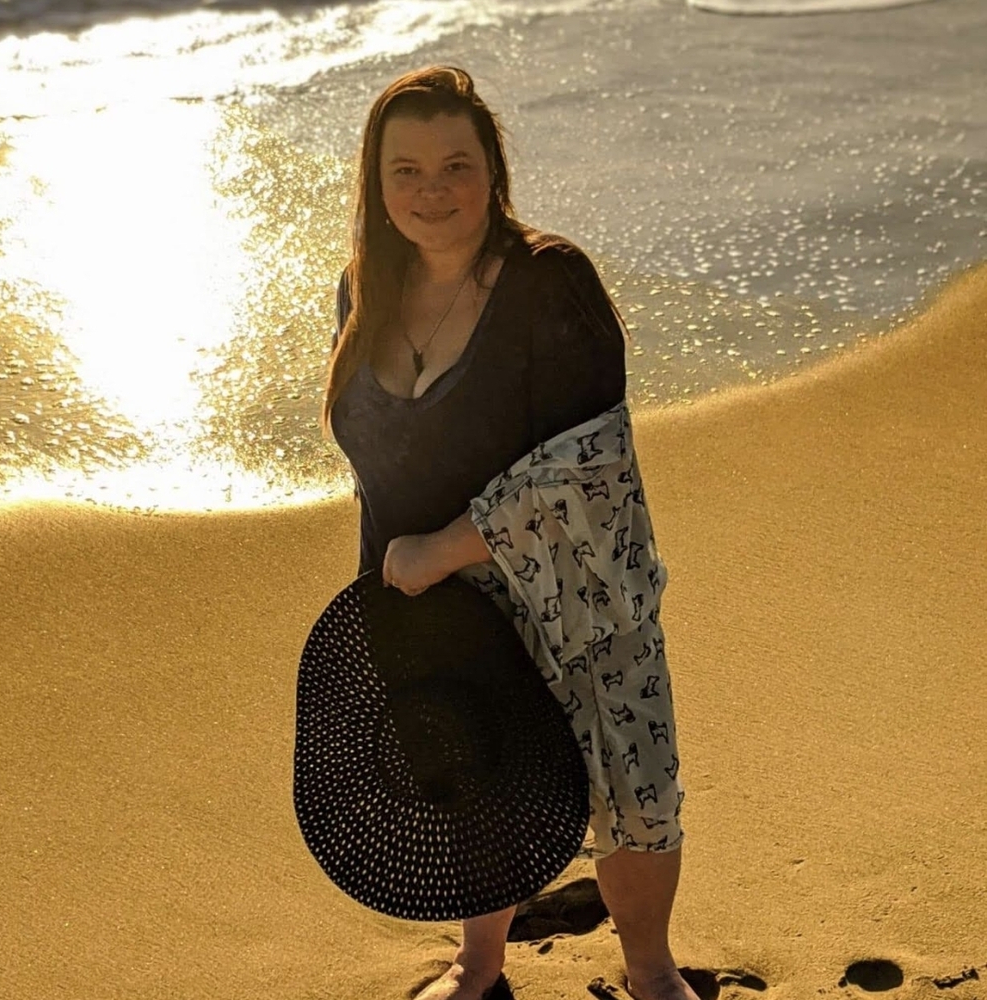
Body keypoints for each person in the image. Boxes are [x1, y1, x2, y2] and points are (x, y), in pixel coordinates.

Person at [323, 65, 697, 1000]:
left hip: (577, 598)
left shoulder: (549, 281)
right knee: (474, 778)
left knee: (630, 790)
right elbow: (377, 463)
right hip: (443, 608)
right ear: (375, 181)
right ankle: (478, 965)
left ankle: (652, 972)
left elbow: (593, 463)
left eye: (456, 165)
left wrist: (442, 549)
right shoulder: (363, 291)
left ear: (493, 170)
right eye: (406, 170)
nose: (432, 190)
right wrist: (387, 588)